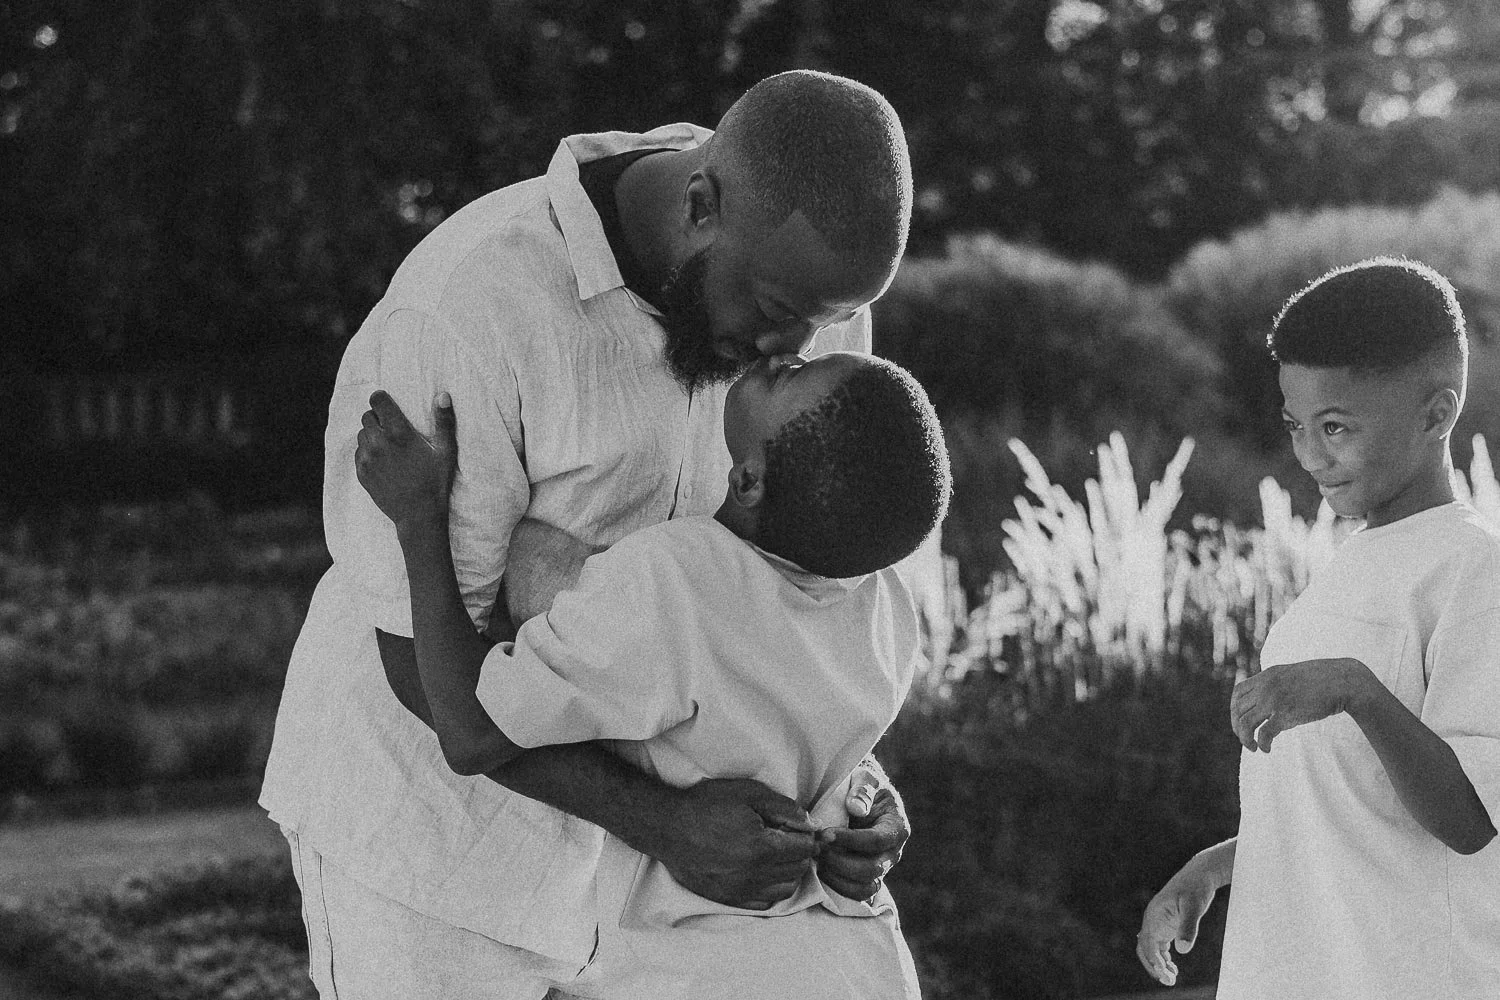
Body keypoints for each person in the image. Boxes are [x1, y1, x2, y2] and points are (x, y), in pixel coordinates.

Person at [260, 70, 917, 997]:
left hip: (661, 914)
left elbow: (798, 592)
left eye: (828, 324)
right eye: (777, 317)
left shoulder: (800, 296)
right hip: (436, 870)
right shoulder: (473, 303)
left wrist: (854, 791)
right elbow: (418, 658)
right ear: (701, 204)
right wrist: (666, 824)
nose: (794, 354)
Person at [352, 348, 951, 998]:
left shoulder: (673, 585)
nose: (788, 353)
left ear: (749, 482)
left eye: (791, 376)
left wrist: (417, 521)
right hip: (861, 964)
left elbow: (469, 732)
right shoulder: (885, 606)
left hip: (719, 975)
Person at [1136, 257, 1500, 999]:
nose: (1310, 453)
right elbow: (1348, 805)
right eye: (1297, 426)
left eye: (1336, 427)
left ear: (1437, 413)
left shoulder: (1474, 570)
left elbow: (1471, 818)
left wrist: (1355, 690)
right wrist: (1213, 867)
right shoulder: (1350, 563)